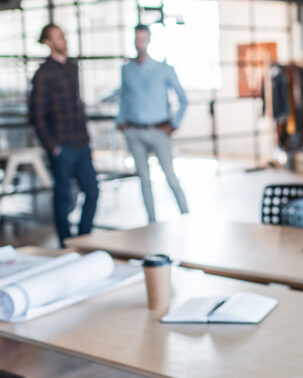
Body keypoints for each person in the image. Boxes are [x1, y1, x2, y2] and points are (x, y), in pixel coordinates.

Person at [29, 24, 99, 247]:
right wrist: (52, 146)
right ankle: (66, 243)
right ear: (48, 42)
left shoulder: (71, 68)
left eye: (63, 36)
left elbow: (77, 105)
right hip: (61, 146)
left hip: (81, 142)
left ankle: (83, 238)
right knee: (63, 197)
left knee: (92, 191)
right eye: (58, 37)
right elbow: (37, 115)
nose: (63, 40)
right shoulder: (43, 74)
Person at [116, 24, 189, 223]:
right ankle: (152, 223)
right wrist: (120, 122)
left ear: (148, 40)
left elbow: (183, 99)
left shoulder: (163, 68)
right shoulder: (127, 70)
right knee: (144, 181)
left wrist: (174, 124)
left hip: (159, 131)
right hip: (134, 131)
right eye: (137, 39)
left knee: (170, 178)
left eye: (143, 39)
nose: (140, 43)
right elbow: (124, 98)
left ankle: (187, 217)